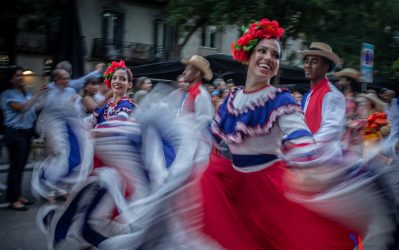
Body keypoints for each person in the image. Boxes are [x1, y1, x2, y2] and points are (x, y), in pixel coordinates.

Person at [200, 19, 357, 250]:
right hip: (234, 186)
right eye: (262, 51)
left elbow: (302, 140)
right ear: (249, 55)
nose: (268, 58)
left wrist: (313, 167)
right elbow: (209, 137)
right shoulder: (232, 99)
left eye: (275, 55)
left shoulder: (279, 99)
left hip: (268, 189)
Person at [0, 65, 47, 210]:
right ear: (10, 79)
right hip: (14, 134)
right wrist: (37, 95)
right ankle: (13, 200)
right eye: (17, 76)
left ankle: (17, 195)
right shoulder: (6, 94)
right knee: (15, 167)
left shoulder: (24, 93)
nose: (21, 78)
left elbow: (33, 109)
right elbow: (22, 108)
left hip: (25, 134)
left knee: (20, 167)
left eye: (21, 75)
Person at [302, 42, 345, 161]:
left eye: (314, 62)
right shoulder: (309, 94)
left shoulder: (332, 94)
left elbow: (331, 128)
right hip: (310, 158)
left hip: (326, 162)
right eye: (306, 61)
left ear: (326, 67)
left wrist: (306, 147)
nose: (308, 65)